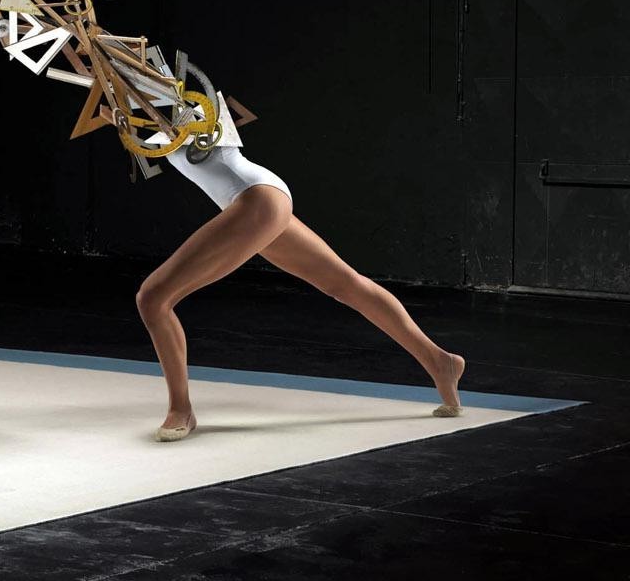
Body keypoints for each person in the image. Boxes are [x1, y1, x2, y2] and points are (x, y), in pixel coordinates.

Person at [135, 113, 466, 441]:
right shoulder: (138, 108)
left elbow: (201, 118)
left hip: (255, 199)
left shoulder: (175, 96)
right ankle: (441, 362)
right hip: (259, 199)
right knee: (345, 283)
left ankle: (181, 409)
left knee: (153, 298)